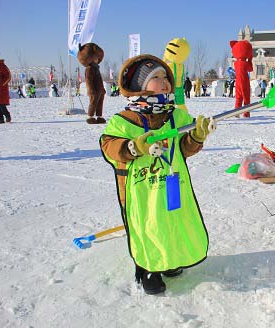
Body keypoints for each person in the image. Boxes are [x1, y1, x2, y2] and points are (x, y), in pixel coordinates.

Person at [100, 54, 214, 295]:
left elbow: (183, 148)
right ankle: (147, 267)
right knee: (147, 224)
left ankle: (171, 259)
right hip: (140, 189)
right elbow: (109, 147)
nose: (164, 82)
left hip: (172, 182)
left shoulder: (177, 116)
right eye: (155, 78)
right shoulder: (122, 121)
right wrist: (134, 147)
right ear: (139, 85)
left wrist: (197, 136)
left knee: (173, 221)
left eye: (165, 77)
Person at [77, 43, 106, 124]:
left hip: (99, 90)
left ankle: (99, 116)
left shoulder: (96, 68)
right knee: (93, 103)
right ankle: (90, 116)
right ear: (91, 58)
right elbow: (88, 80)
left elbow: (99, 80)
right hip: (94, 91)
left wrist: (102, 89)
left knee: (100, 103)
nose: (98, 60)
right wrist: (91, 90)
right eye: (97, 58)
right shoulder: (89, 69)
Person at [0, 52, 12, 124]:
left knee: (1, 104)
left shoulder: (1, 66)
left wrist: (2, 84)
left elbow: (8, 76)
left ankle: (7, 115)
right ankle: (0, 118)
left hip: (1, 89)